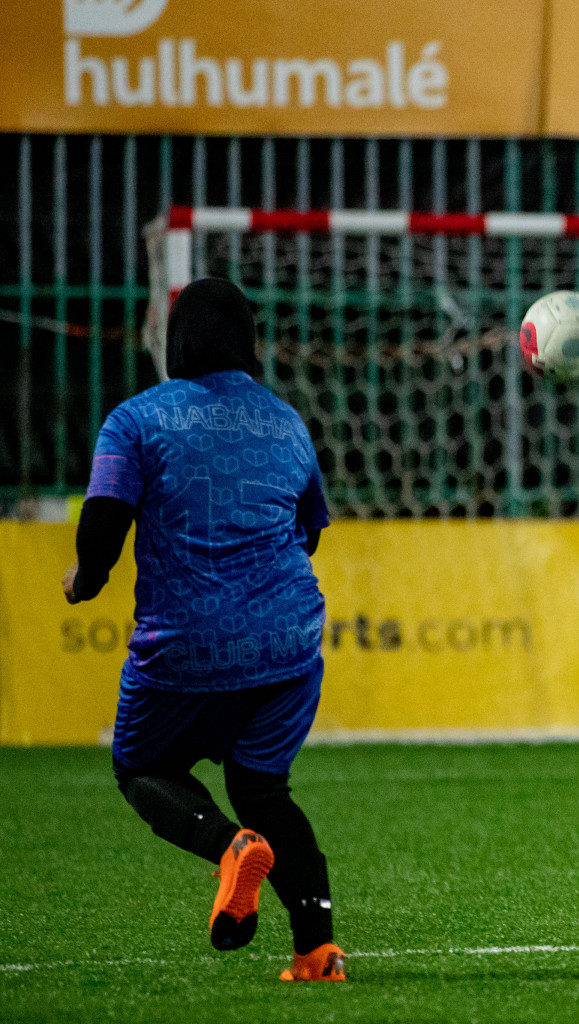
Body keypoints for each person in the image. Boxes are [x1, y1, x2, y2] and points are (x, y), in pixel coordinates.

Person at [63, 278, 345, 981]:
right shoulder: (286, 421)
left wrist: (85, 581)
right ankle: (318, 951)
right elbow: (308, 533)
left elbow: (103, 525)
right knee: (265, 788)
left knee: (143, 768)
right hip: (288, 644)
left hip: (184, 647)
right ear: (249, 343)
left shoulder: (133, 421)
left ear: (173, 340)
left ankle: (227, 847)